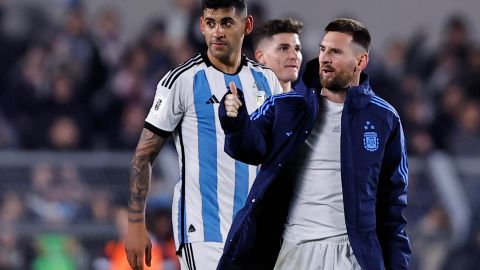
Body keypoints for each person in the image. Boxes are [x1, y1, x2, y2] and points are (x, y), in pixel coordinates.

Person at [217, 18, 411, 269]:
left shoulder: (384, 119)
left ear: (361, 61)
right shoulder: (287, 107)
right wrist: (234, 120)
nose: (325, 58)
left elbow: (392, 208)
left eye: (336, 52)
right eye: (323, 49)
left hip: (353, 254)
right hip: (296, 247)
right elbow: (248, 147)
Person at [125, 0, 283, 269]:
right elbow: (143, 155)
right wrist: (136, 224)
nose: (217, 32)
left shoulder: (267, 81)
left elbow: (280, 155)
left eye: (226, 23)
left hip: (256, 228)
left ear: (247, 25)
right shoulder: (181, 81)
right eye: (210, 23)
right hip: (203, 231)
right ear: (201, 26)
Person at [252, 18, 303, 92]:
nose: (294, 56)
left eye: (297, 49)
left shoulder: (310, 102)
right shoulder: (245, 101)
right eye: (284, 48)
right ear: (261, 57)